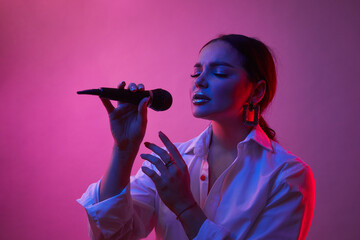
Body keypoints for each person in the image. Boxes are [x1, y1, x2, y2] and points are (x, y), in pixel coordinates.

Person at [77, 34, 315, 240]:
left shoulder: (287, 175)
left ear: (257, 92)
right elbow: (111, 235)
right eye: (196, 72)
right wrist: (123, 149)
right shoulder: (170, 162)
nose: (200, 81)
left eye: (219, 73)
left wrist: (184, 205)